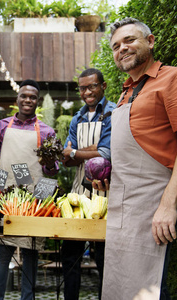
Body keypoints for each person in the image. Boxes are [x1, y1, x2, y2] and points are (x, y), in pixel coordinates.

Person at [100, 18, 177, 299]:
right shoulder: (124, 93)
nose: (122, 48)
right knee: (125, 285)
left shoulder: (176, 78)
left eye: (129, 40)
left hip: (155, 205)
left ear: (151, 41)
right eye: (115, 46)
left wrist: (168, 206)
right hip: (124, 207)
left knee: (151, 287)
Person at [0, 79, 58, 300]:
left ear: (37, 101)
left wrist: (49, 163)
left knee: (31, 252)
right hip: (7, 196)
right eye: (24, 96)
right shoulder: (1, 126)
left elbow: (52, 172)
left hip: (36, 195)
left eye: (33, 97)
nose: (28, 100)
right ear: (17, 99)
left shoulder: (47, 131)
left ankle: (28, 298)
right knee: (2, 253)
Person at [60, 68, 115, 300]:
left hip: (105, 193)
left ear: (102, 86)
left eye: (92, 86)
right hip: (77, 193)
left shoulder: (114, 113)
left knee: (104, 257)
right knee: (70, 255)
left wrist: (74, 151)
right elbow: (66, 160)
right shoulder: (77, 118)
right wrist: (83, 152)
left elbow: (106, 153)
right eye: (83, 88)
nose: (87, 92)